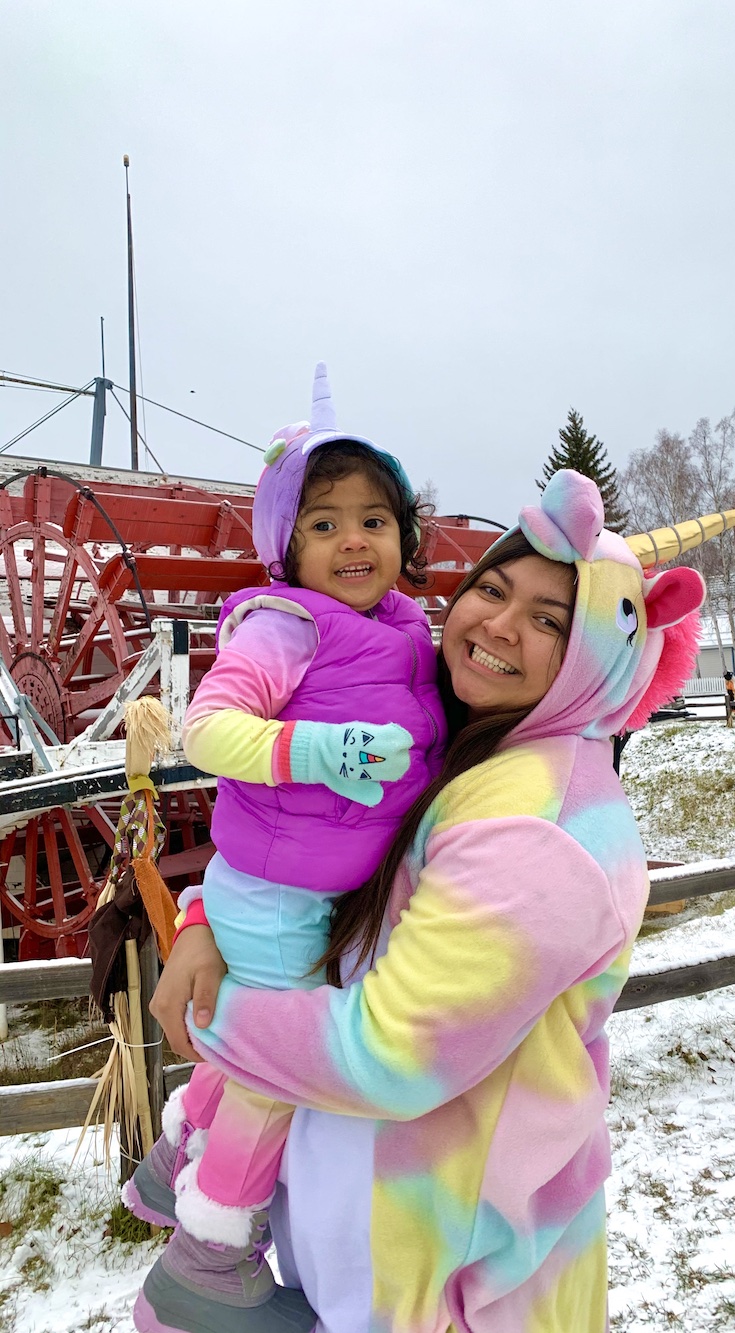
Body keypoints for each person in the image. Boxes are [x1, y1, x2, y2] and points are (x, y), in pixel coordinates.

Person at [140, 469, 706, 1333]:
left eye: (551, 620)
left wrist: (212, 1018)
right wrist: (206, 922)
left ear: (598, 657)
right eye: (492, 587)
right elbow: (319, 851)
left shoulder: (540, 827)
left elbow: (390, 1054)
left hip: (462, 1287)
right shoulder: (471, 746)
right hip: (379, 1264)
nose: (499, 624)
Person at [126, 363, 446, 1325]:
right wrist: (314, 749)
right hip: (275, 890)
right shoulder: (285, 624)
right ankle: (204, 1263)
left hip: (308, 889)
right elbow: (208, 731)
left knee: (260, 1037)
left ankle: (176, 1148)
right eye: (324, 522)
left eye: (375, 520)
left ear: (403, 538)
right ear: (286, 547)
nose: (354, 538)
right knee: (278, 1063)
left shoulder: (401, 629)